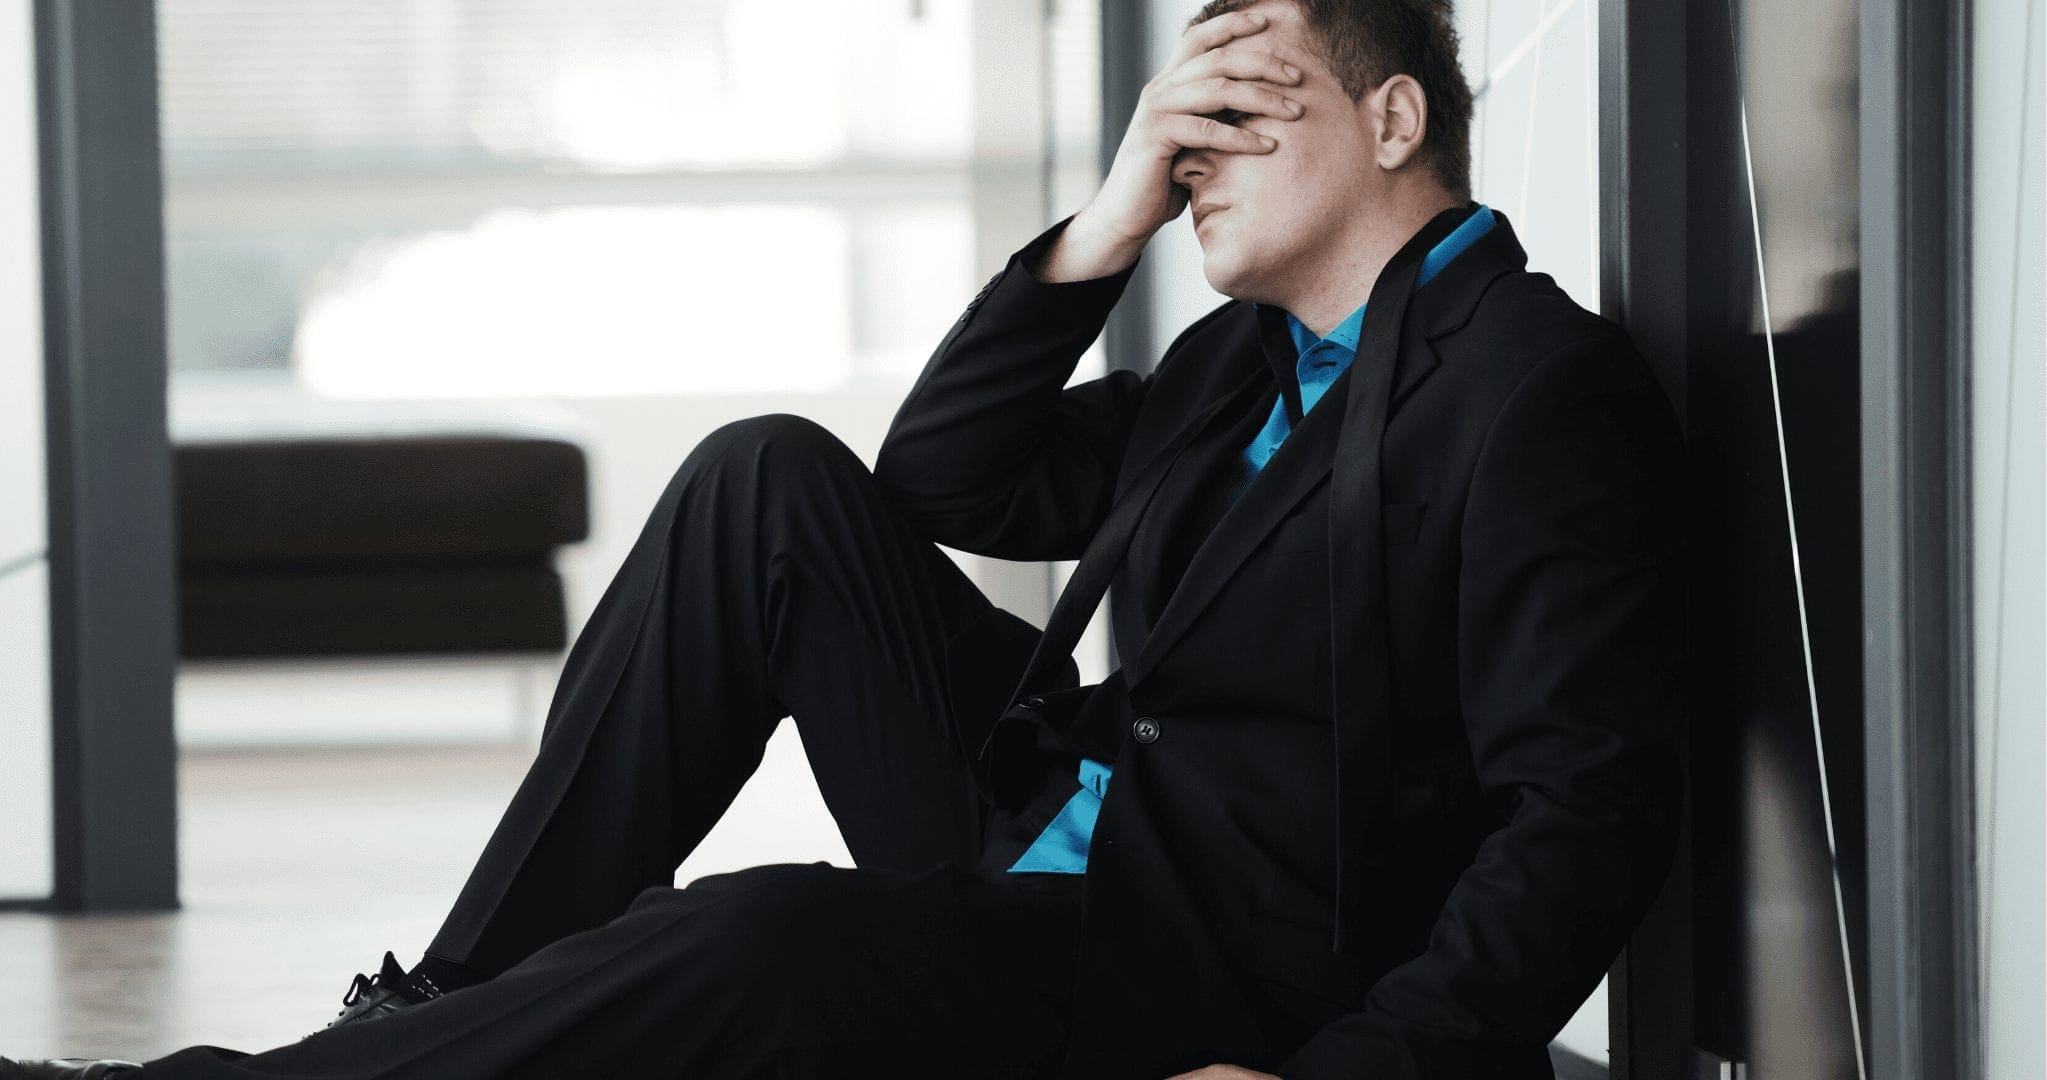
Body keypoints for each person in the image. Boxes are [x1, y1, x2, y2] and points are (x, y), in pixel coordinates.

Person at [3, 0, 1686, 1077]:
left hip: (1215, 967)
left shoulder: (1531, 389)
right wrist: (1104, 224)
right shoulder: (1235, 364)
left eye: (1245, 113)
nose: (1194, 160)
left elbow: (1583, 811)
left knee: (767, 944)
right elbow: (949, 481)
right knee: (764, 483)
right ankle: (436, 1023)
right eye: (1183, 124)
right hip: (1062, 824)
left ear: (1394, 122)